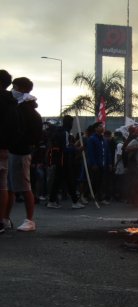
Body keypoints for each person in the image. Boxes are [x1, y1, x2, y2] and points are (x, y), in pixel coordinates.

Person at [5, 77, 42, 231]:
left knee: (24, 186)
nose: (12, 89)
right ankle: (5, 218)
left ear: (22, 89)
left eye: (15, 87)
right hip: (17, 151)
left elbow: (30, 135)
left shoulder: (25, 111)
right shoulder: (26, 109)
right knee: (10, 188)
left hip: (20, 152)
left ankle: (29, 220)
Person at [46, 115, 85, 209]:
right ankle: (74, 202)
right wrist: (77, 149)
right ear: (69, 123)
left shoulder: (59, 132)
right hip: (64, 160)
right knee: (68, 181)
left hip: (59, 160)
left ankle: (52, 201)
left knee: (58, 181)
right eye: (72, 122)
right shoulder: (65, 133)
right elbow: (66, 148)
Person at [0, 70, 20, 233]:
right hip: (7, 149)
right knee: (4, 186)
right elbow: (14, 127)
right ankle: (3, 219)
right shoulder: (12, 102)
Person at [87, 122, 112, 205]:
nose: (102, 127)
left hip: (103, 165)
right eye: (100, 126)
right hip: (96, 165)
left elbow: (108, 152)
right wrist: (94, 163)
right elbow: (90, 152)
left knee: (102, 182)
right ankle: (90, 196)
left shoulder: (104, 140)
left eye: (102, 126)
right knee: (95, 181)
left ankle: (100, 198)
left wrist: (109, 163)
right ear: (96, 128)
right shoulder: (92, 139)